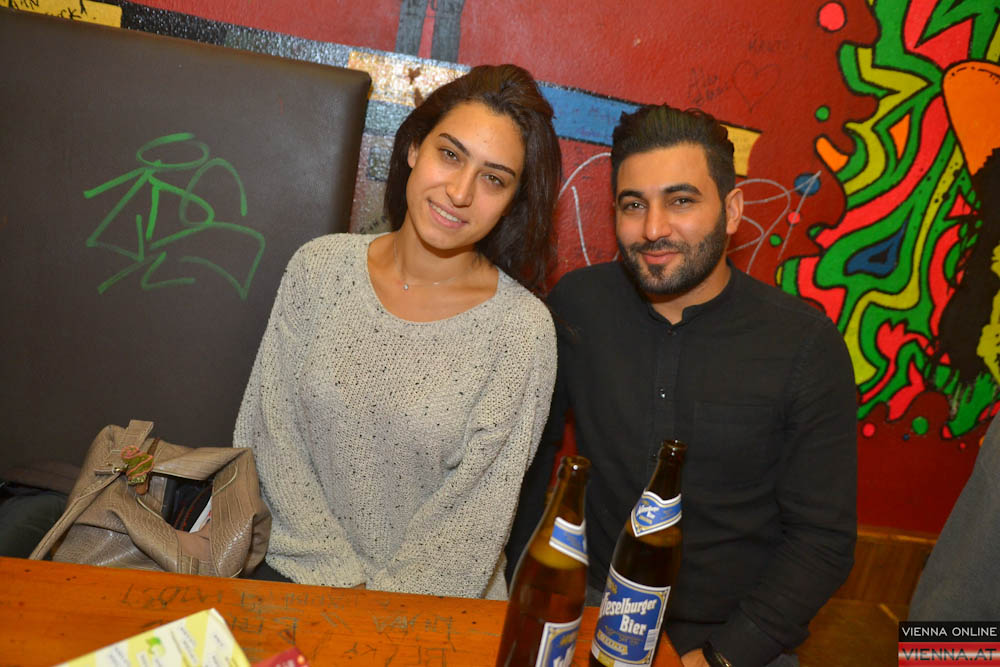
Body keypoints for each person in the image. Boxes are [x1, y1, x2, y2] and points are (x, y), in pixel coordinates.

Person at [508, 104, 858, 666]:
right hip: (590, 611)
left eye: (681, 201)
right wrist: (522, 591)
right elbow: (530, 460)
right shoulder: (578, 307)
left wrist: (720, 657)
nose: (653, 229)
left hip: (736, 635)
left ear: (732, 210)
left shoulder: (804, 345)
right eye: (633, 205)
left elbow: (823, 541)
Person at [235, 64, 560, 600]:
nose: (459, 191)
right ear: (413, 148)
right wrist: (341, 585)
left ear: (513, 202)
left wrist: (373, 617)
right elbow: (269, 437)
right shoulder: (319, 269)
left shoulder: (521, 331)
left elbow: (471, 527)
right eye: (449, 155)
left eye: (493, 179)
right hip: (291, 585)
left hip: (434, 615)